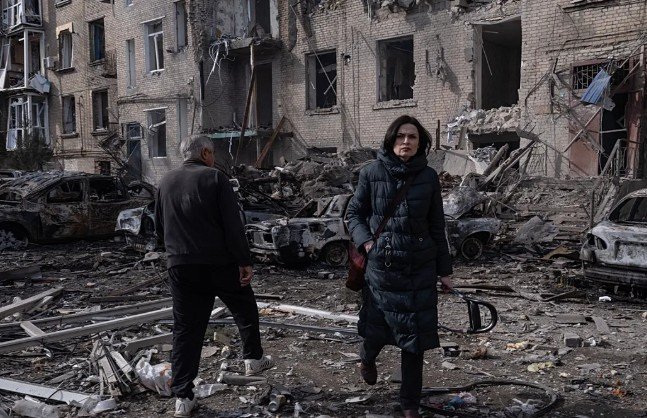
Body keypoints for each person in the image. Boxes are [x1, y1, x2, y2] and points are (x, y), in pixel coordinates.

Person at [155, 135, 274, 417]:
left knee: (186, 329)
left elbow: (159, 227)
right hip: (218, 263)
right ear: (206, 152)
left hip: (180, 265)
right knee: (244, 307)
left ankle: (183, 397)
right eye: (213, 153)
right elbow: (233, 224)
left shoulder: (165, 181)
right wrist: (244, 260)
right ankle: (253, 358)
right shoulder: (215, 178)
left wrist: (175, 252)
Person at [345, 115, 453, 418]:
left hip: (419, 269)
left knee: (414, 340)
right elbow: (354, 214)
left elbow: (437, 225)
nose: (406, 141)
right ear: (391, 140)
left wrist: (445, 271)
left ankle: (409, 405)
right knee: (376, 330)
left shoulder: (428, 177)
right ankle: (367, 358)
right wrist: (368, 243)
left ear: (421, 143)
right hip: (383, 269)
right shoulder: (371, 172)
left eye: (412, 137)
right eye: (400, 136)